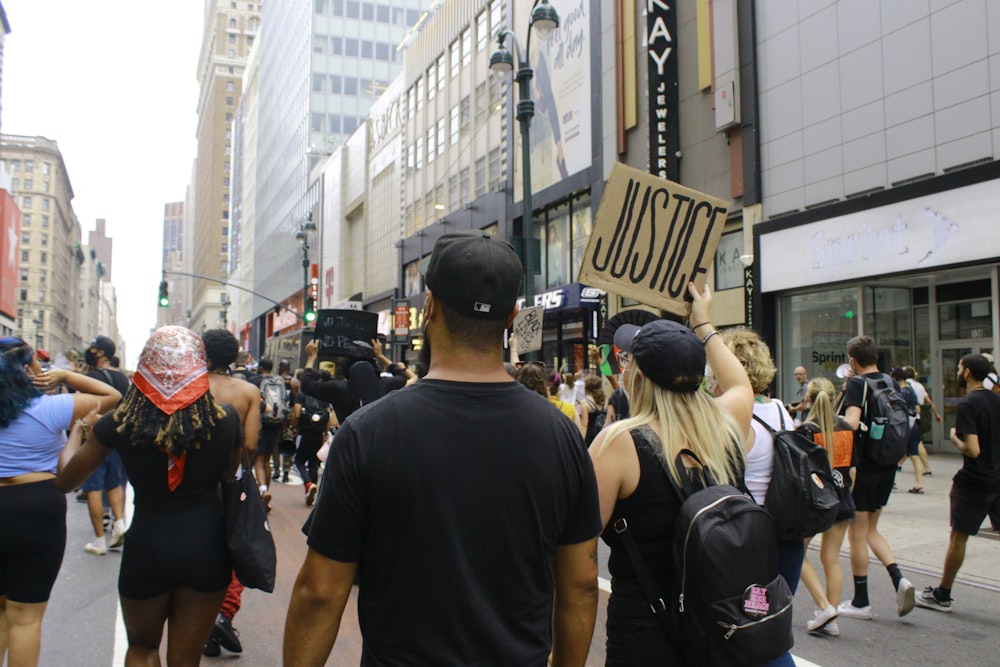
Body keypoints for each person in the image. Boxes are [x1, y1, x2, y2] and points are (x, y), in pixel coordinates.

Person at [284, 231, 601, 665]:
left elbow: (320, 592)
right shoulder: (561, 434)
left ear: (429, 306)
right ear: (511, 316)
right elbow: (581, 583)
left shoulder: (366, 433)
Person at [56, 326, 244, 666]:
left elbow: (66, 481)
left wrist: (77, 432)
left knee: (141, 649)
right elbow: (230, 478)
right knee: (186, 658)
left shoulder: (118, 423)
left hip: (147, 546)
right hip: (206, 546)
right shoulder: (226, 420)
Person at [588, 284, 754, 665]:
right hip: (719, 619)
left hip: (647, 626)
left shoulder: (619, 443)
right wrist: (704, 323)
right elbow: (741, 383)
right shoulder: (726, 427)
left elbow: (579, 540)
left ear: (637, 375)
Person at [0, 337, 120, 667]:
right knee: (25, 617)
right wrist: (64, 376)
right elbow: (112, 396)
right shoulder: (50, 408)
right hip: (36, 508)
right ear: (28, 370)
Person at [719, 327, 800, 667]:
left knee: (750, 633)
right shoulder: (781, 410)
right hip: (787, 532)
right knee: (772, 622)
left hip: (748, 540)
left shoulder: (731, 415)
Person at [838, 335, 915, 620]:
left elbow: (853, 422)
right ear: (877, 358)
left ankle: (861, 601)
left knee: (857, 531)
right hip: (888, 463)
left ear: (852, 359)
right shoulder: (890, 381)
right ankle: (898, 579)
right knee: (872, 528)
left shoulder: (858, 383)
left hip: (866, 464)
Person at [916, 353, 1000, 612]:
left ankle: (943, 594)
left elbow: (973, 450)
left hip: (975, 481)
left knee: (958, 538)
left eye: (960, 368)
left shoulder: (967, 404)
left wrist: (954, 439)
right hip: (998, 478)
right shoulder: (996, 400)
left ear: (966, 372)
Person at [200, 329, 262, 657]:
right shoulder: (248, 391)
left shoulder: (192, 387)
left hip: (192, 480)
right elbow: (250, 445)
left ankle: (205, 623)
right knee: (235, 546)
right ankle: (223, 614)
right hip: (233, 480)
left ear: (203, 354)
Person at [797, 377, 857, 638]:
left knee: (797, 552)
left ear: (808, 399)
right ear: (834, 399)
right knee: (832, 559)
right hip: (842, 499)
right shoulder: (845, 427)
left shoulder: (805, 430)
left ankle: (823, 606)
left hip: (815, 503)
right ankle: (831, 613)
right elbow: (852, 470)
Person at [80, 335, 132, 556]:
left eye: (93, 348)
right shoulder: (123, 379)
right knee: (114, 483)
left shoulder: (90, 377)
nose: (90, 351)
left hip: (95, 438)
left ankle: (99, 539)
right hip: (119, 436)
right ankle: (119, 524)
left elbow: (82, 408)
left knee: (94, 487)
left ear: (101, 353)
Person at [292, 380, 336, 506]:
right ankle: (312, 490)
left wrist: (293, 428)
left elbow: (297, 413)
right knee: (314, 463)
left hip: (304, 432)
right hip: (318, 433)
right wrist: (326, 433)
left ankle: (308, 484)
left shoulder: (302, 395)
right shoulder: (324, 397)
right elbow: (329, 416)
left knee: (299, 461)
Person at [252, 358, 286, 496]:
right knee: (267, 459)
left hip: (260, 423)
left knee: (258, 460)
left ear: (260, 368)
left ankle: (263, 490)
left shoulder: (255, 381)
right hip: (275, 422)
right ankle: (267, 490)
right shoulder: (279, 382)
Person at [904, 365, 942, 476]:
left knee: (912, 443)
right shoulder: (919, 386)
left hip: (908, 417)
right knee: (916, 443)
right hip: (917, 418)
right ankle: (926, 467)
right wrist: (936, 414)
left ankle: (925, 468)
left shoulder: (905, 386)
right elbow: (929, 401)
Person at [893, 367, 925, 494]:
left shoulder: (900, 393)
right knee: (914, 455)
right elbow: (918, 409)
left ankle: (891, 481)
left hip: (904, 426)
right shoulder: (911, 390)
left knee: (895, 454)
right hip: (914, 424)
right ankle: (919, 483)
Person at [579, 374, 607, 447]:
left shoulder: (585, 403)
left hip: (590, 437)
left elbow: (584, 425)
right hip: (602, 435)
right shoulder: (604, 401)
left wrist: (580, 444)